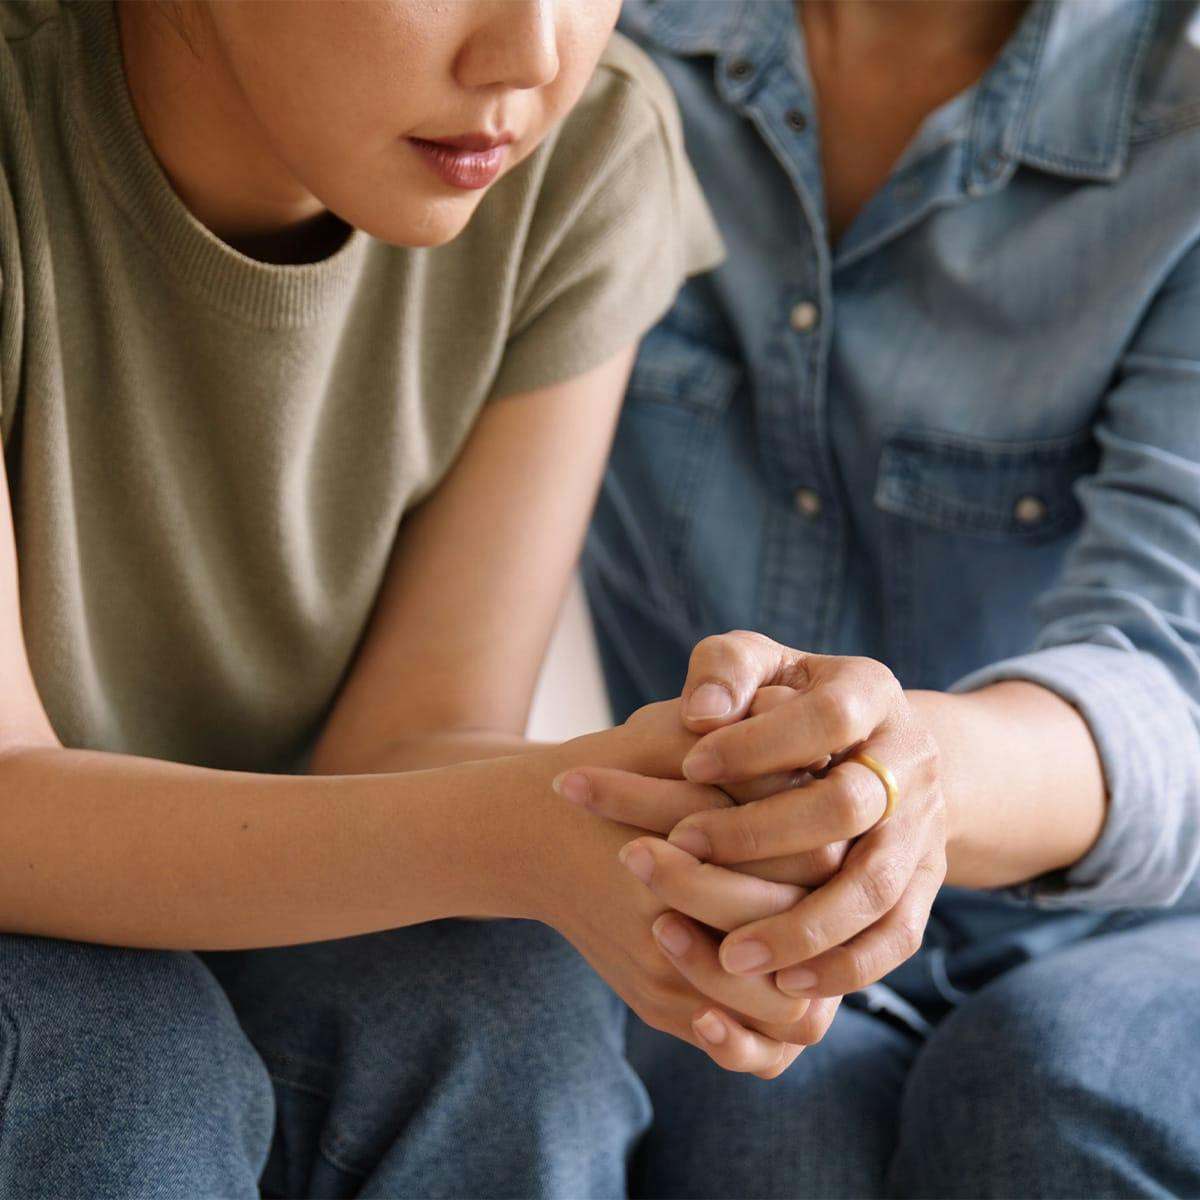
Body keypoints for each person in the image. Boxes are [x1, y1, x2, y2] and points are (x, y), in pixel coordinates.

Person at [0, 1, 799, 1194]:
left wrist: (673, 808)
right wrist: (512, 832)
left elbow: (413, 735)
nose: (532, 55)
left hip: (297, 878)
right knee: (126, 1069)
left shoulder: (583, 146)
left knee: (510, 1021)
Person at [568, 0, 1200, 1195]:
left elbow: (1174, 680)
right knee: (761, 1132)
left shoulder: (1183, 125)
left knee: (1052, 1091)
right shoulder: (596, 51)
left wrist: (907, 775)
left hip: (1143, 923)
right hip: (729, 902)